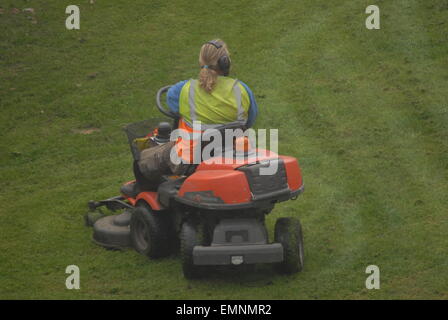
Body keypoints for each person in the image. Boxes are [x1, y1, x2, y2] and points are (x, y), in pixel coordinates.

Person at [121, 39, 258, 197]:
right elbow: (250, 120)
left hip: (190, 160)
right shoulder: (242, 89)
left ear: (201, 62)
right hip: (232, 154)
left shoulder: (186, 89)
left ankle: (145, 194)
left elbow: (173, 105)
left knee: (142, 160)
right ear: (225, 63)